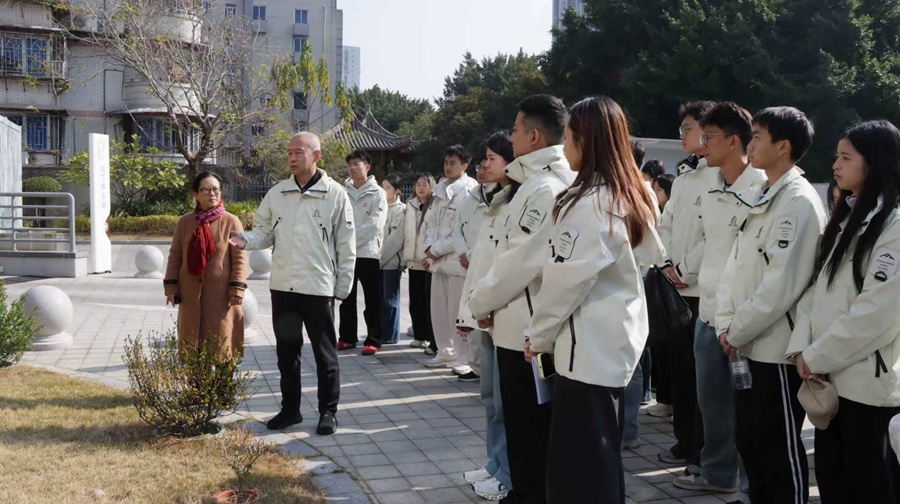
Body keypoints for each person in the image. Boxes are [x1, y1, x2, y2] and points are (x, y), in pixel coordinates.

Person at [524, 95, 663, 504]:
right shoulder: (629, 193)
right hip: (608, 343)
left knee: (582, 467)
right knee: (599, 459)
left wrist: (539, 334)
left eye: (567, 138)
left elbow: (567, 279)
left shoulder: (591, 203)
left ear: (584, 141)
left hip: (587, 351)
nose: (564, 147)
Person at [715, 107, 826, 503]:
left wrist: (736, 329)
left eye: (758, 136)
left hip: (774, 349)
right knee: (752, 442)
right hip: (746, 344)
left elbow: (782, 286)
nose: (751, 143)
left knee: (778, 450)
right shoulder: (764, 193)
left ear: (783, 147)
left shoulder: (798, 202)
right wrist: (726, 323)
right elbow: (736, 265)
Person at [468, 94, 576, 504]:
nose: (510, 138)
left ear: (533, 135)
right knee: (522, 428)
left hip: (528, 333)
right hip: (516, 325)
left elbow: (520, 261)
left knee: (531, 431)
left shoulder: (544, 187)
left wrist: (479, 301)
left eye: (514, 129)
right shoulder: (531, 183)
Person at [788, 120, 900, 503]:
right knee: (834, 480)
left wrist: (816, 354)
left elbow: (877, 314)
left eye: (846, 157)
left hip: (866, 385)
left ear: (874, 162)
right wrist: (804, 349)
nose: (835, 164)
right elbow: (816, 289)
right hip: (829, 377)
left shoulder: (893, 225)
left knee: (868, 485)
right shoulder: (848, 219)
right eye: (837, 155)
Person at [228, 132, 355, 435]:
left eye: (299, 152)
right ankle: (290, 410)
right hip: (283, 287)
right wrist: (245, 239)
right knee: (287, 353)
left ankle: (328, 411)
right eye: (289, 153)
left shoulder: (335, 195)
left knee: (325, 355)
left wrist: (342, 287)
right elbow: (264, 232)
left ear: (317, 156)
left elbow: (347, 245)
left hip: (317, 287)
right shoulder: (278, 193)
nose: (293, 158)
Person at [673, 103, 767, 496]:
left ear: (733, 141)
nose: (701, 143)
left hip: (744, 321)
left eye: (709, 136)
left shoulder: (762, 188)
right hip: (707, 312)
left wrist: (739, 320)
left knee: (747, 408)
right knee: (711, 402)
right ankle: (717, 472)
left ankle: (749, 482)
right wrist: (683, 269)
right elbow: (708, 241)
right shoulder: (710, 186)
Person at [653, 101, 716, 468]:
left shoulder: (721, 176)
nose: (682, 135)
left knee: (703, 377)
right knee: (682, 372)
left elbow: (717, 235)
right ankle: (684, 441)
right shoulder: (685, 177)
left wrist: (687, 269)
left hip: (701, 290)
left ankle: (703, 446)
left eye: (688, 128)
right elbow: (666, 224)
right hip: (676, 289)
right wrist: (667, 264)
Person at [458, 131, 518, 501]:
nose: (485, 163)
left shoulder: (521, 199)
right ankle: (495, 464)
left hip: (504, 314)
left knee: (506, 405)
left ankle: (508, 474)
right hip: (487, 312)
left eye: (492, 157)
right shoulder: (498, 199)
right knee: (491, 399)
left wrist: (487, 305)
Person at [164, 171, 247, 357]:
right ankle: (196, 385)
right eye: (206, 189)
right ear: (196, 194)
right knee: (192, 347)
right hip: (190, 295)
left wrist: (237, 290)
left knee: (222, 348)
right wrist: (171, 288)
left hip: (221, 296)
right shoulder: (185, 222)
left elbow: (240, 259)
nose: (212, 194)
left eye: (216, 189)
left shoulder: (231, 221)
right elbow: (175, 256)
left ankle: (223, 385)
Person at [422, 145, 477, 368]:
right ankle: (445, 351)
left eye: (453, 163)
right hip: (437, 261)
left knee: (458, 313)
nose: (448, 167)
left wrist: (434, 250)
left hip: (456, 262)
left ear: (465, 165)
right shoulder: (439, 190)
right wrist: (428, 250)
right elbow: (429, 223)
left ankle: (463, 358)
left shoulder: (469, 191)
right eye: (446, 162)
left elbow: (459, 231)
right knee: (439, 311)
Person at [338, 150, 387, 355]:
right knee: (346, 297)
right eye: (350, 164)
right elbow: (337, 221)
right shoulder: (342, 191)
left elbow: (374, 225)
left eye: (356, 163)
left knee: (372, 299)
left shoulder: (378, 193)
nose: (352, 167)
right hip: (347, 255)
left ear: (367, 167)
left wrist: (349, 241)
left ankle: (374, 339)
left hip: (369, 253)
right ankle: (347, 338)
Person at [449, 145, 491, 381]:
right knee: (472, 317)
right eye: (481, 165)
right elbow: (457, 229)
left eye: (490, 163)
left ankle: (483, 368)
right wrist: (464, 253)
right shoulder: (472, 196)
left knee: (484, 320)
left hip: (485, 265)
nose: (484, 169)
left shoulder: (505, 195)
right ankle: (475, 366)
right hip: (467, 263)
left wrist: (472, 256)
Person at [404, 174, 437, 354]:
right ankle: (419, 334)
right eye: (418, 184)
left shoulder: (434, 206)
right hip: (413, 260)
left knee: (428, 301)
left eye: (425, 184)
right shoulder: (410, 206)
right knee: (415, 300)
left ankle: (431, 336)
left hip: (428, 260)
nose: (421, 187)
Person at [379, 174, 406, 345]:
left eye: (388, 187)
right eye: (382, 186)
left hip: (390, 261)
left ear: (397, 191)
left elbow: (396, 239)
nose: (384, 190)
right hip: (378, 261)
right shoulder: (380, 208)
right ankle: (381, 332)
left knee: (391, 300)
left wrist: (380, 259)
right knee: (380, 300)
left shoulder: (401, 210)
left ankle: (391, 335)